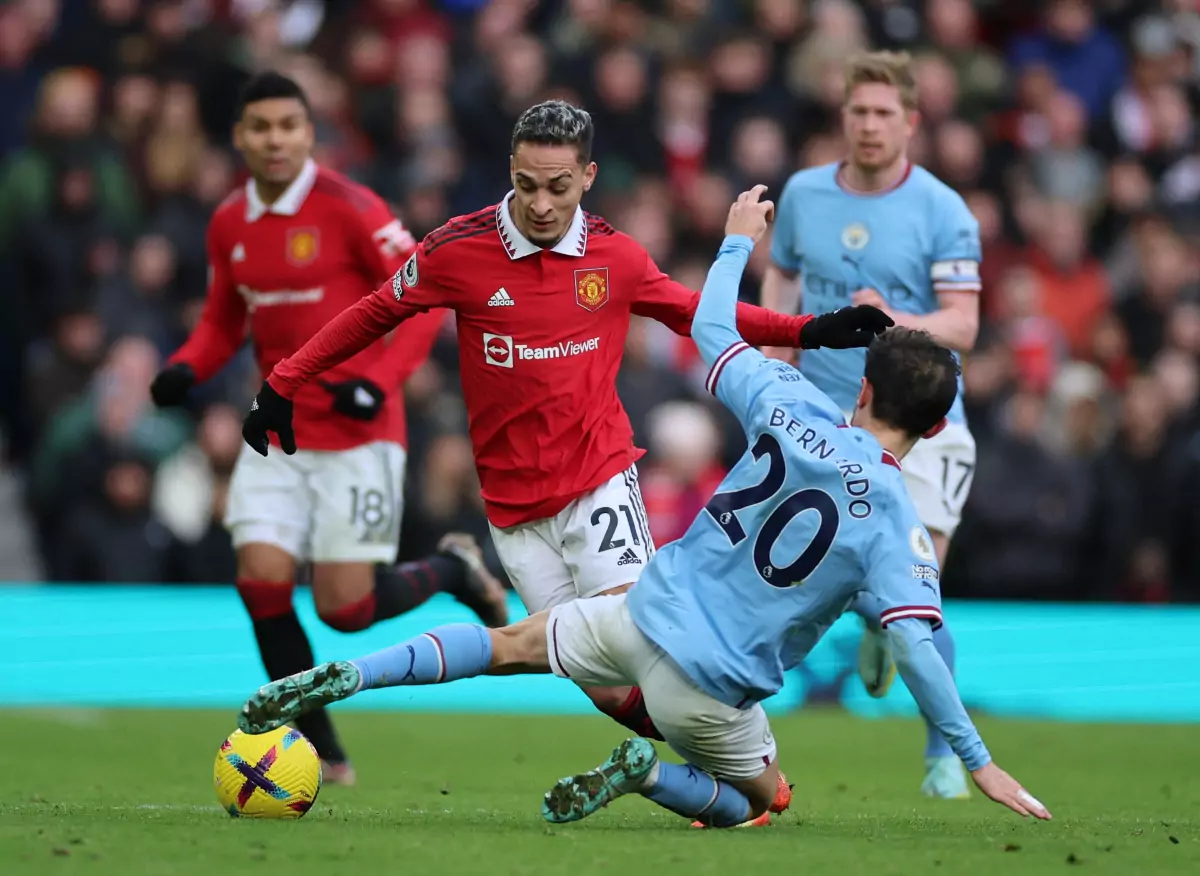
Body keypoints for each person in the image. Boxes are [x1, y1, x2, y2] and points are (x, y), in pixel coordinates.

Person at [235, 187, 1051, 829]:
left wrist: (738, 240)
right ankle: (655, 774)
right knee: (768, 799)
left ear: (863, 387)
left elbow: (715, 328)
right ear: (939, 424)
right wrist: (973, 756)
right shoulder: (898, 525)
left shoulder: (788, 401)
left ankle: (347, 675)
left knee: (509, 642)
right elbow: (914, 638)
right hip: (710, 689)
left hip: (639, 614)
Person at [239, 99, 881, 764]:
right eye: (527, 184)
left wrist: (806, 329)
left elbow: (700, 314)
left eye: (559, 186)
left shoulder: (616, 258)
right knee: (605, 687)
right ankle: (736, 765)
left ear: (589, 176)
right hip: (514, 508)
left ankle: (749, 769)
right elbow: (373, 313)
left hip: (597, 479)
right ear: (511, 171)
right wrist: (285, 383)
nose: (541, 203)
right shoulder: (457, 251)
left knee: (644, 643)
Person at [149, 72, 508, 785]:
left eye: (289, 125)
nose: (275, 139)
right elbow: (225, 319)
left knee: (345, 612)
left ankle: (449, 568)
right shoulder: (229, 222)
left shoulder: (352, 207)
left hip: (357, 433)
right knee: (261, 584)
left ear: (310, 133)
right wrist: (186, 367)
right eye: (261, 127)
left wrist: (379, 382)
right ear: (240, 137)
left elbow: (425, 296)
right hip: (275, 430)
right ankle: (322, 750)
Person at [759, 51, 983, 799]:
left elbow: (965, 323)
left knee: (920, 592)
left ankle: (943, 758)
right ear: (843, 117)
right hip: (826, 418)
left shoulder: (943, 210)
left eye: (884, 113)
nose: (869, 125)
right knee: (801, 579)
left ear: (911, 122)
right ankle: (867, 632)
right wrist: (773, 370)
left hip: (923, 423)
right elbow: (782, 286)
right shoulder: (803, 194)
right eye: (858, 111)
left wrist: (893, 322)